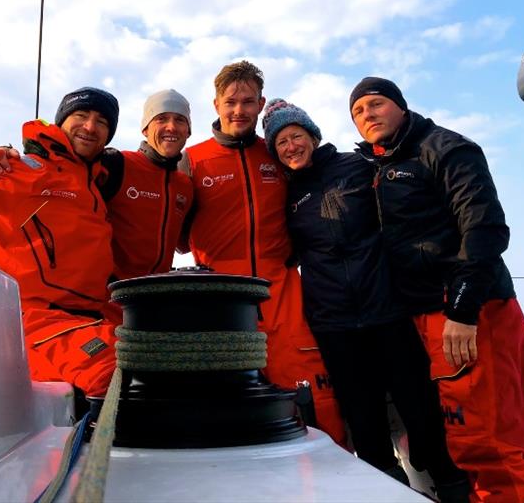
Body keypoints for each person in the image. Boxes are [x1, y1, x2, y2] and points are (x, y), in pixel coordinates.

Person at [349, 77, 524, 502]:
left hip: (465, 312)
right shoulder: (382, 165)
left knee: (481, 441)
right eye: (358, 112)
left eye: (376, 104)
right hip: (442, 312)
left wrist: (463, 311)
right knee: (510, 430)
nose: (368, 115)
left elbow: (484, 227)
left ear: (400, 105)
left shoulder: (445, 148)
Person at [262, 98, 469, 501]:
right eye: (281, 142)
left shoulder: (358, 167)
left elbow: (408, 210)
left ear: (313, 135)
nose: (290, 146)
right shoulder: (286, 194)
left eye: (296, 136)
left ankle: (452, 487)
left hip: (387, 309)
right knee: (366, 426)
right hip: (334, 323)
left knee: (423, 416)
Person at [179, 60, 346, 446]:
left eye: (249, 102)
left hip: (283, 291)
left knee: (314, 395)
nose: (239, 110)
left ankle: (330, 482)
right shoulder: (192, 159)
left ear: (261, 104)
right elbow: (177, 238)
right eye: (231, 102)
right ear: (216, 104)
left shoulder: (277, 154)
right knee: (227, 403)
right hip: (222, 300)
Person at [0, 87, 120, 396]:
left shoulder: (95, 185)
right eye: (81, 116)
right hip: (22, 319)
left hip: (85, 317)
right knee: (115, 367)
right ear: (60, 122)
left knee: (156, 352)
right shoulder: (16, 167)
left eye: (102, 122)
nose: (90, 127)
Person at [100, 89, 194, 280]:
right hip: (108, 299)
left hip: (155, 299)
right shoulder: (115, 163)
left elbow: (183, 245)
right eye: (161, 119)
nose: (171, 127)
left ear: (188, 131)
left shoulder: (185, 185)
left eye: (180, 120)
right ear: (145, 129)